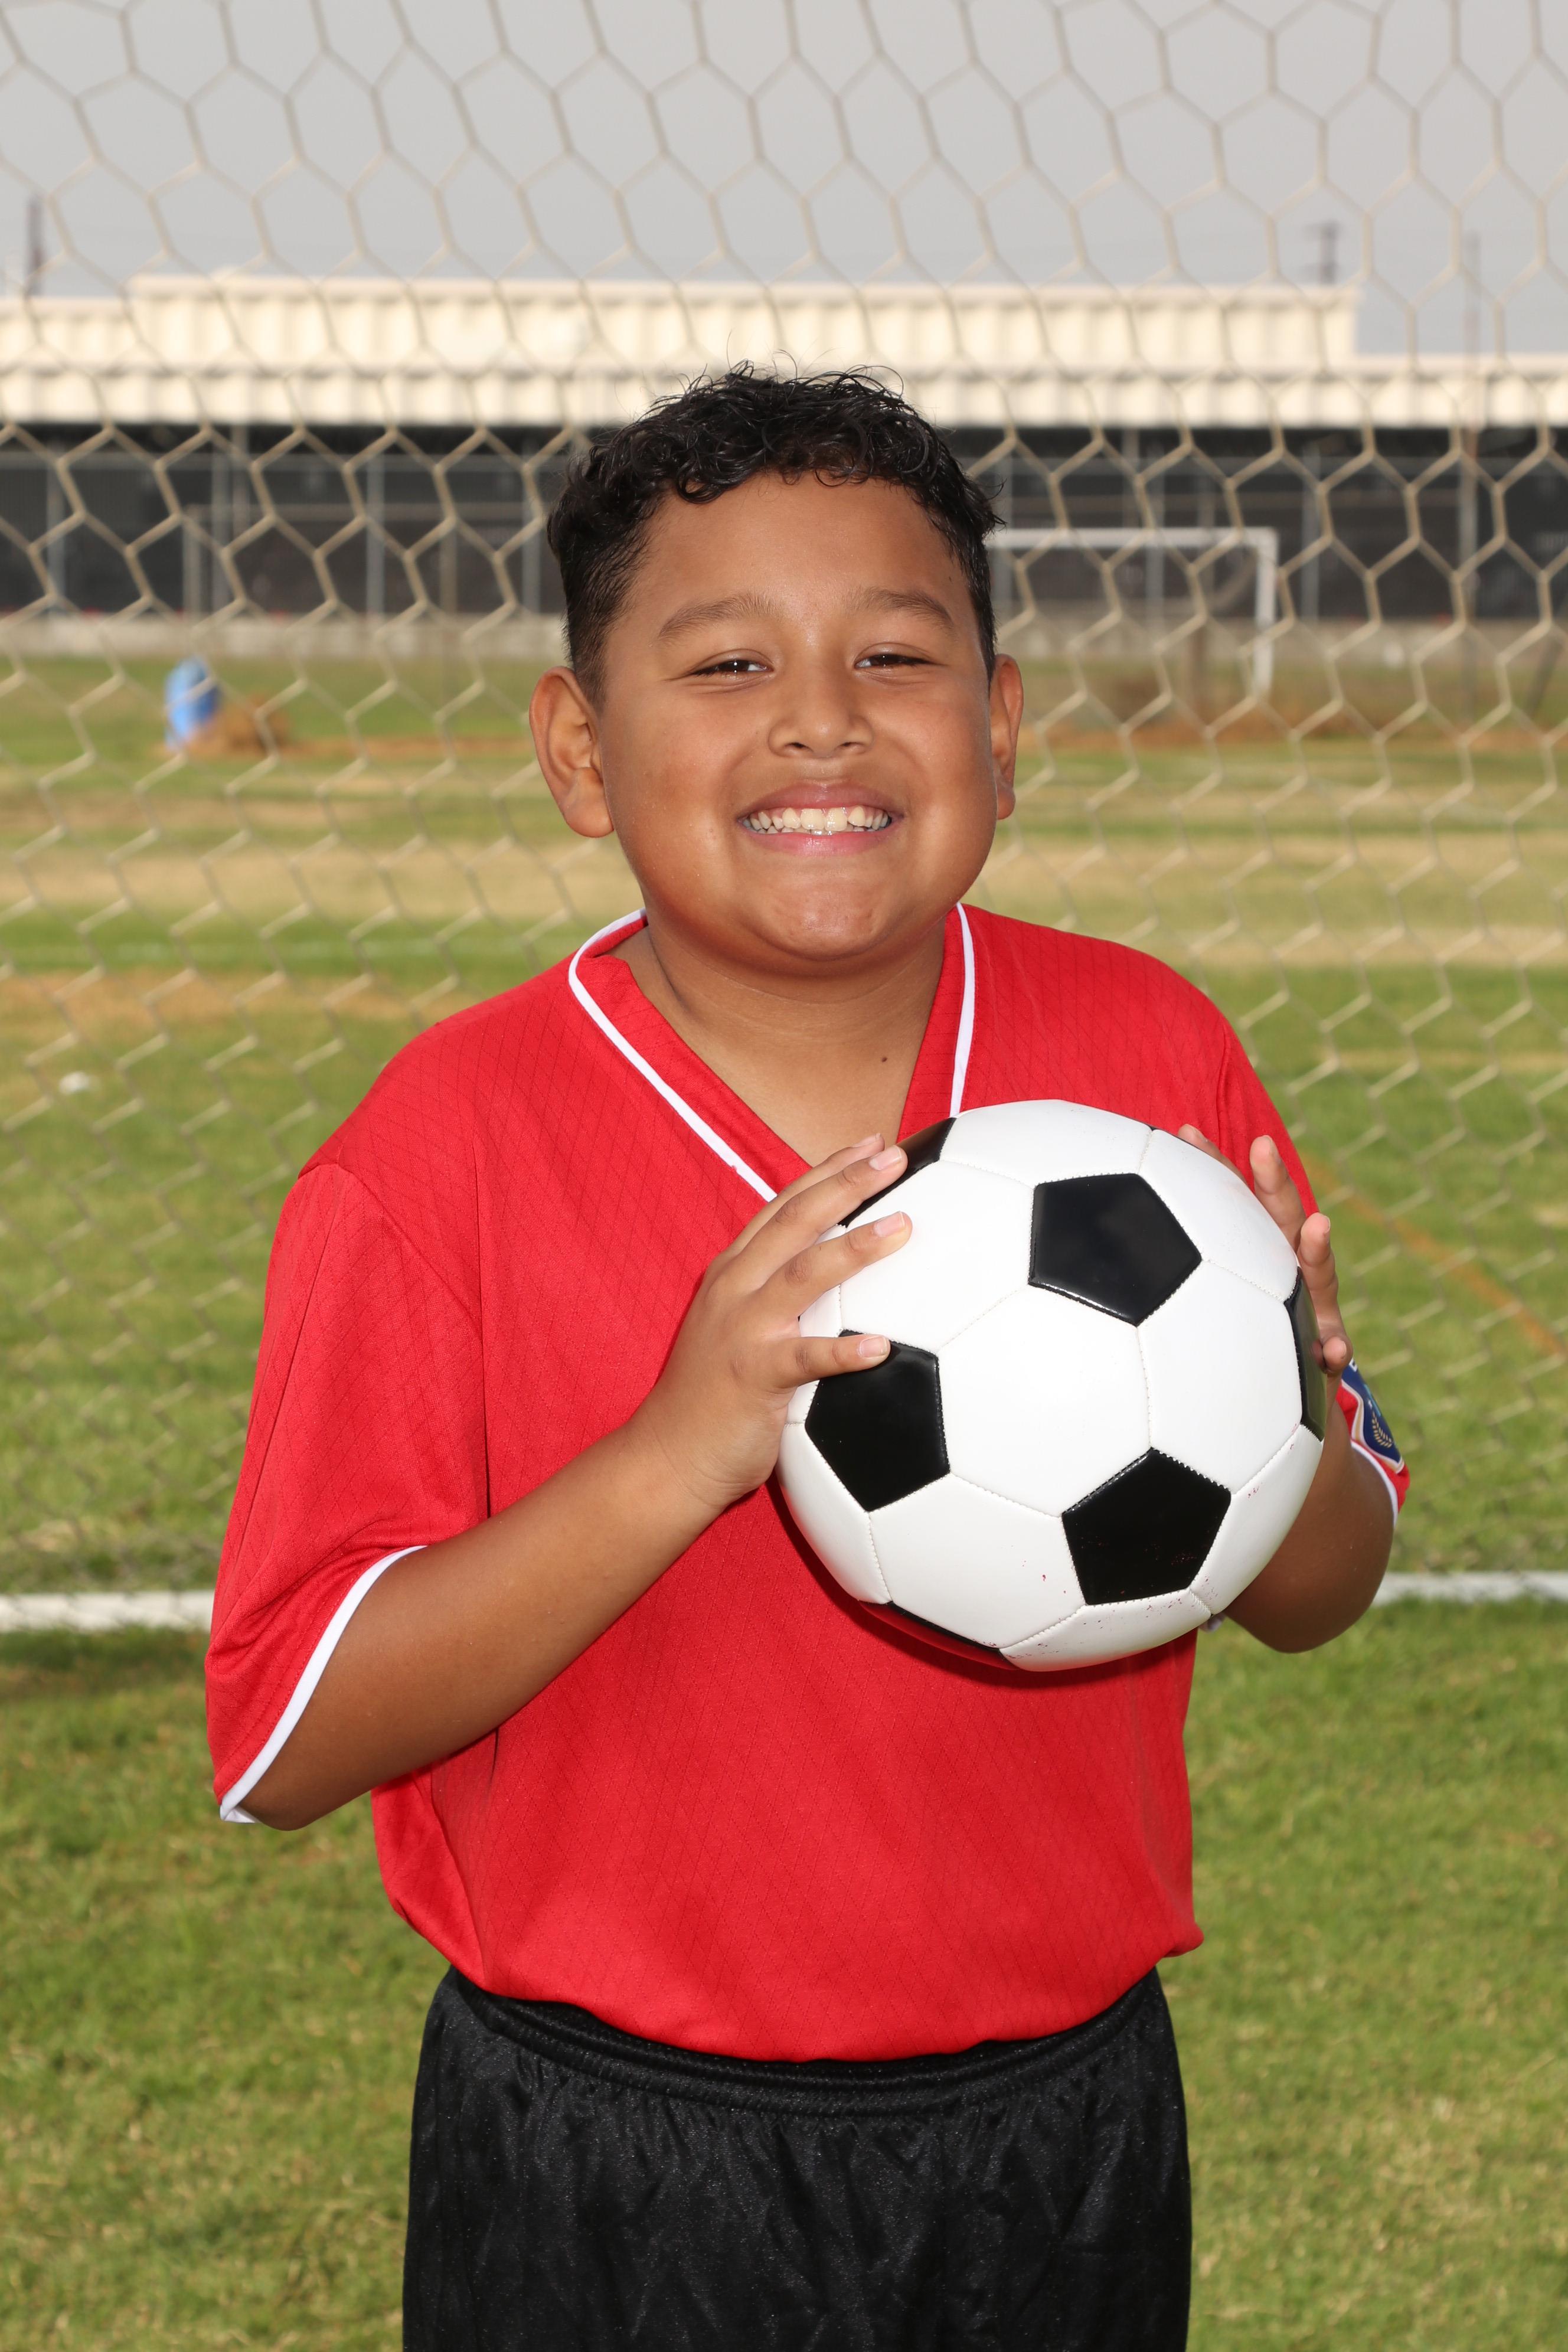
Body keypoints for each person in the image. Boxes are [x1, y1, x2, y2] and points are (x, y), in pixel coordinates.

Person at [205, 368, 1408, 2349]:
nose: (824, 718)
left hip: (1064, 2120)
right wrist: (675, 1451)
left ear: (1001, 728)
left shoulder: (1148, 1071)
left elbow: (1317, 1588)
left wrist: (1292, 1432)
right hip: (611, 2143)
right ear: (580, 750)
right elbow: (283, 1737)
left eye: (895, 654)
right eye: (730, 662)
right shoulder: (439, 1154)